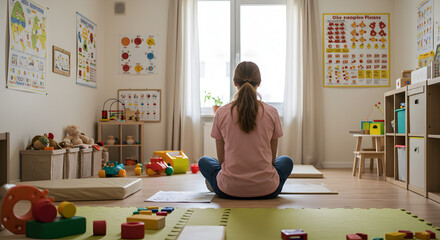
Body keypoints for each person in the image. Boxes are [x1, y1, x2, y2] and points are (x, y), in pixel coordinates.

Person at [198, 61, 293, 199]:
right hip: (268, 189)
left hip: (228, 190)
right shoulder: (272, 112)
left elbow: (222, 161)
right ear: (259, 83)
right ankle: (261, 183)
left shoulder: (222, 112)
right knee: (286, 161)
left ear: (235, 83)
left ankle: (216, 182)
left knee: (204, 161)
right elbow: (272, 161)